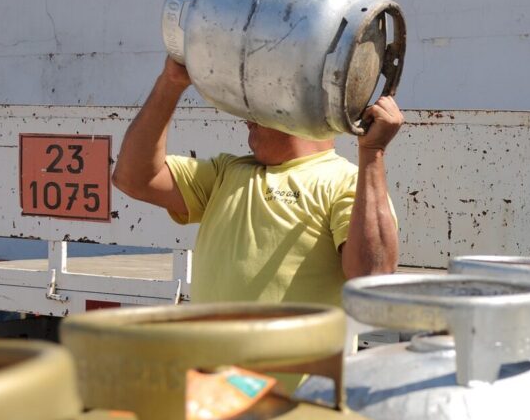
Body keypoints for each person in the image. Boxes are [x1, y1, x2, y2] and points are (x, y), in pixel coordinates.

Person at [112, 57, 404, 307]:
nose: (247, 119)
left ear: (298, 111)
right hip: (216, 374)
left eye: (259, 106)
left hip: (300, 375)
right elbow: (133, 178)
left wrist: (371, 153)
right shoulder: (226, 173)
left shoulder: (346, 182)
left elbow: (372, 278)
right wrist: (171, 82)